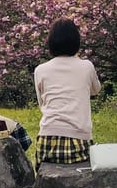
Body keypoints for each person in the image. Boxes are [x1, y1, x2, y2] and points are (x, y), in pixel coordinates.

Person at [33, 17, 102, 167]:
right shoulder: (86, 66)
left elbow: (42, 103)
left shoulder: (40, 70)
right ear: (76, 41)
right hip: (79, 140)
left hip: (47, 138)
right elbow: (96, 90)